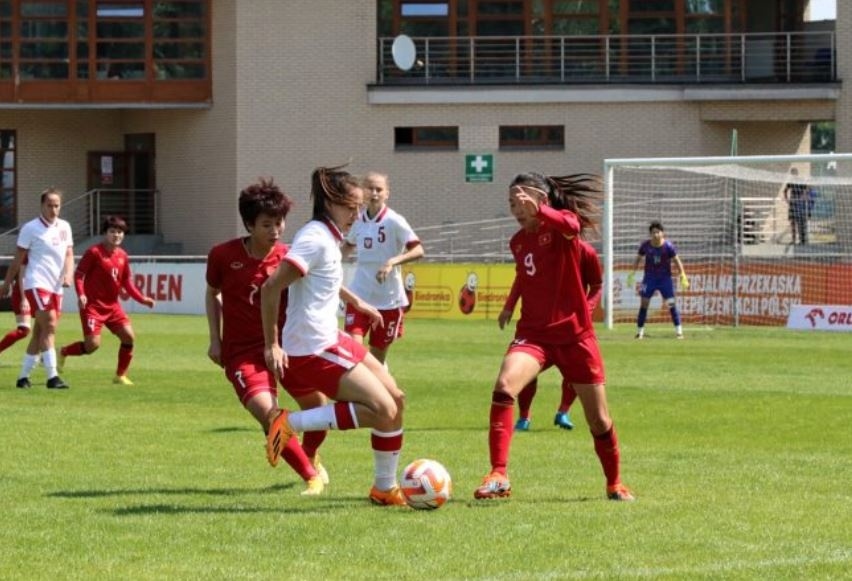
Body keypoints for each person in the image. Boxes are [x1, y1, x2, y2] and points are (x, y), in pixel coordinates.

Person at [474, 172, 634, 502]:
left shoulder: (563, 230)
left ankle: (615, 483)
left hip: (575, 338)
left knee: (598, 419)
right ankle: (498, 474)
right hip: (534, 335)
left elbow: (571, 226)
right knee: (504, 387)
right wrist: (508, 307)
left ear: (542, 201)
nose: (516, 209)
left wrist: (543, 211)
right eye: (511, 203)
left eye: (522, 202)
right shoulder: (518, 242)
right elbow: (523, 275)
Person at [262, 164, 408, 506]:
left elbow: (324, 278)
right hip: (312, 346)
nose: (356, 216)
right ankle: (287, 423)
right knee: (382, 409)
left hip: (330, 338)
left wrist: (358, 301)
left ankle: (383, 488)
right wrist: (272, 344)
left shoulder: (328, 238)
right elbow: (271, 288)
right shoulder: (314, 238)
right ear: (330, 203)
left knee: (396, 401)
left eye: (358, 208)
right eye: (351, 207)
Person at [206, 178, 329, 496]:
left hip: (287, 347)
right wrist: (215, 339)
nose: (275, 230)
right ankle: (310, 477)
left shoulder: (290, 256)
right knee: (269, 414)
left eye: (279, 222)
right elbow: (212, 293)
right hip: (242, 353)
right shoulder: (222, 255)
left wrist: (355, 302)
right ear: (249, 224)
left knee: (319, 409)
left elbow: (319, 284)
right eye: (266, 224)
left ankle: (310, 454)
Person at [507, 239, 603, 432]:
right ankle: (524, 417)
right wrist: (509, 306)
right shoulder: (538, 245)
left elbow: (597, 285)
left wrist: (587, 309)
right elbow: (522, 277)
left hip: (570, 329)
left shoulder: (585, 251)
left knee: (577, 373)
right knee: (525, 370)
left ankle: (563, 411)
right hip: (538, 329)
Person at [57, 216, 155, 384]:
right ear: (105, 233)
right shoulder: (94, 252)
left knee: (128, 337)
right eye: (112, 231)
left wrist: (142, 299)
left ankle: (120, 375)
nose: (116, 235)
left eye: (119, 232)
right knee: (92, 346)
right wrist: (81, 294)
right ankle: (63, 351)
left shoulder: (123, 256)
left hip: (112, 307)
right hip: (92, 307)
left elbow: (126, 282)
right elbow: (79, 275)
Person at [342, 171, 424, 365]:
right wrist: (330, 261)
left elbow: (418, 250)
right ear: (363, 191)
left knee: (376, 361)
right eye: (370, 188)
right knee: (354, 351)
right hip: (359, 295)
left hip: (389, 300)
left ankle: (377, 390)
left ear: (387, 193)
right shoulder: (358, 220)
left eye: (379, 189)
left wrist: (391, 262)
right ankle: (354, 393)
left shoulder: (394, 220)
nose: (374, 193)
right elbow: (348, 245)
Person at [0, 187, 74, 389]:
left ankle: (23, 377)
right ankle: (52, 376)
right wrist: (7, 283)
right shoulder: (30, 228)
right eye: (49, 205)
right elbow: (18, 259)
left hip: (56, 286)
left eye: (56, 205)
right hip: (36, 282)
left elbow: (69, 254)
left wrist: (68, 274)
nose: (53, 209)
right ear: (42, 205)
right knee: (50, 324)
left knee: (40, 331)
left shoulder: (65, 227)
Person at [626, 221, 688, 340]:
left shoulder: (668, 246)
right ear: (650, 234)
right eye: (653, 232)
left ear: (662, 233)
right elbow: (638, 259)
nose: (656, 235)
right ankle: (640, 332)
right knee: (644, 303)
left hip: (665, 279)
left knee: (671, 304)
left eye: (658, 232)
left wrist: (683, 275)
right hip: (649, 279)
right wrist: (632, 273)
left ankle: (679, 332)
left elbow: (677, 261)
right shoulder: (645, 245)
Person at [0, 261, 32, 358]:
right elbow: (22, 275)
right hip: (23, 293)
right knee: (23, 330)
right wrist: (24, 298)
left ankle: (45, 356)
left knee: (46, 327)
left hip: (41, 291)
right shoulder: (28, 250)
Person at [784, 168, 810, 245]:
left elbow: (807, 188)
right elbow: (785, 190)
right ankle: (793, 240)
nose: (793, 175)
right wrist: (787, 199)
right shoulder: (790, 182)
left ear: (797, 173)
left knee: (800, 222)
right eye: (791, 174)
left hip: (799, 204)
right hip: (793, 203)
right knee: (792, 222)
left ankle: (802, 240)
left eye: (794, 173)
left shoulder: (800, 180)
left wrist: (803, 197)